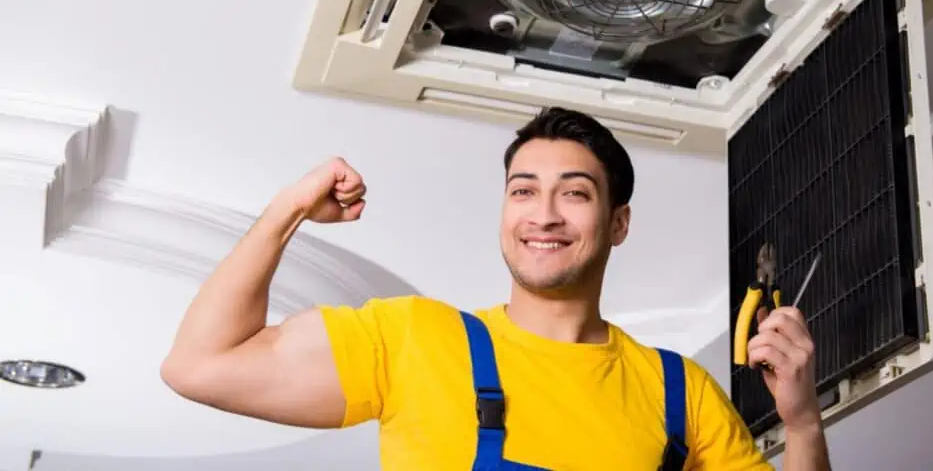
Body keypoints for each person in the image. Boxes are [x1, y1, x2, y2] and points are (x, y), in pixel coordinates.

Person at [161, 107, 831, 470]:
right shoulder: (411, 339)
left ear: (617, 223)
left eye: (574, 194)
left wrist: (801, 422)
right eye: (523, 191)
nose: (543, 214)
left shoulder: (680, 394)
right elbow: (201, 366)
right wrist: (287, 212)